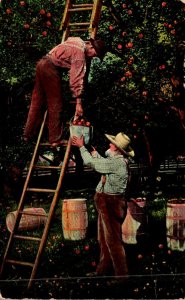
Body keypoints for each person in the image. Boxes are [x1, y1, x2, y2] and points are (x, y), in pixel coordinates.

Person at [72, 132, 135, 280]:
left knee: (113, 241)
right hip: (105, 203)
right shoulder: (116, 161)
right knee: (103, 239)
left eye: (112, 144)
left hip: (110, 204)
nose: (109, 145)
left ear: (117, 149)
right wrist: (95, 153)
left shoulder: (117, 163)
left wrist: (82, 148)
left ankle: (122, 277)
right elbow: (103, 164)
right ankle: (103, 270)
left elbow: (94, 165)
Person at [23, 37, 106, 147]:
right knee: (56, 104)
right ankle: (55, 139)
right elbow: (76, 79)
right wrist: (78, 103)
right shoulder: (80, 54)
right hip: (50, 68)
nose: (93, 57)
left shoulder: (76, 40)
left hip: (41, 63)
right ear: (91, 46)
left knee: (37, 101)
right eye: (94, 54)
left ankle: (28, 134)